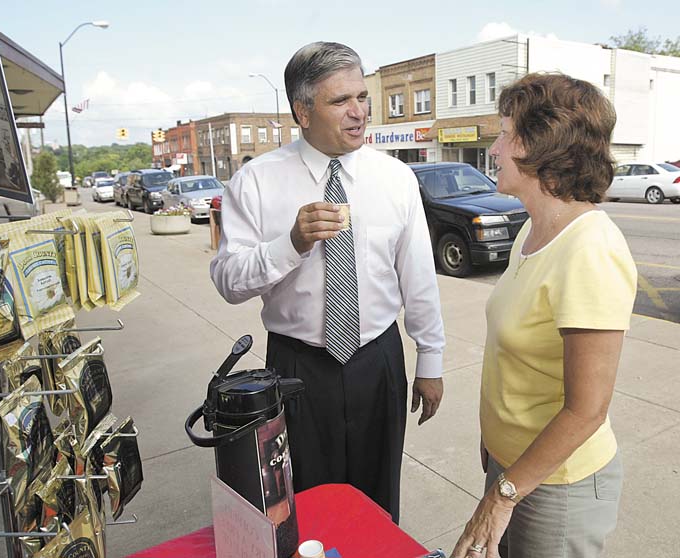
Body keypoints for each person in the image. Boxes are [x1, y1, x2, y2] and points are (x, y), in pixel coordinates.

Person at [210, 41, 445, 523]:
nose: (358, 112)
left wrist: (431, 359)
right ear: (302, 111)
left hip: (378, 359)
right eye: (341, 101)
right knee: (306, 507)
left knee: (378, 500)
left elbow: (417, 275)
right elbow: (229, 281)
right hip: (297, 367)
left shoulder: (396, 179)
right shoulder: (255, 181)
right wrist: (290, 243)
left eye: (362, 97)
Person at [450, 73, 637, 558]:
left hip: (558, 487)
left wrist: (504, 493)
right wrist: (496, 447)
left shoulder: (590, 248)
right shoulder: (531, 232)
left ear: (540, 145)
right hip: (516, 468)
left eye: (504, 132)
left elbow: (586, 410)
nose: (493, 148)